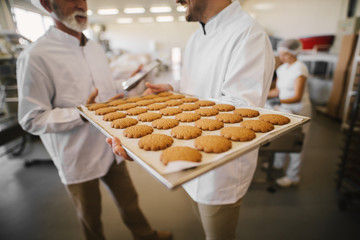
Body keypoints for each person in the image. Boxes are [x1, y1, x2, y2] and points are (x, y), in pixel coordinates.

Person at [110, 0, 274, 239]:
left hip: (220, 167)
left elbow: (240, 113)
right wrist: (172, 89)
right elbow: (197, 86)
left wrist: (150, 140)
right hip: (190, 159)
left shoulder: (248, 34)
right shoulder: (197, 37)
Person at [17, 0, 172, 240]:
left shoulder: (94, 49)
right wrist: (81, 113)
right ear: (48, 5)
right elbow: (31, 119)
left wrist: (131, 88)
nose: (81, 4)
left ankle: (146, 236)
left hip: (110, 145)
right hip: (76, 154)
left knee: (130, 201)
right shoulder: (36, 56)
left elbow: (106, 97)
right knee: (90, 217)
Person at [267, 39, 312, 187]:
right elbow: (278, 91)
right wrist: (264, 95)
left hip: (299, 110)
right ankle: (278, 165)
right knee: (282, 137)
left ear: (292, 54)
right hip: (284, 108)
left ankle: (293, 176)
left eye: (284, 54)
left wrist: (279, 102)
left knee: (297, 142)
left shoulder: (300, 69)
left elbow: (297, 96)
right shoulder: (282, 69)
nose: (280, 57)